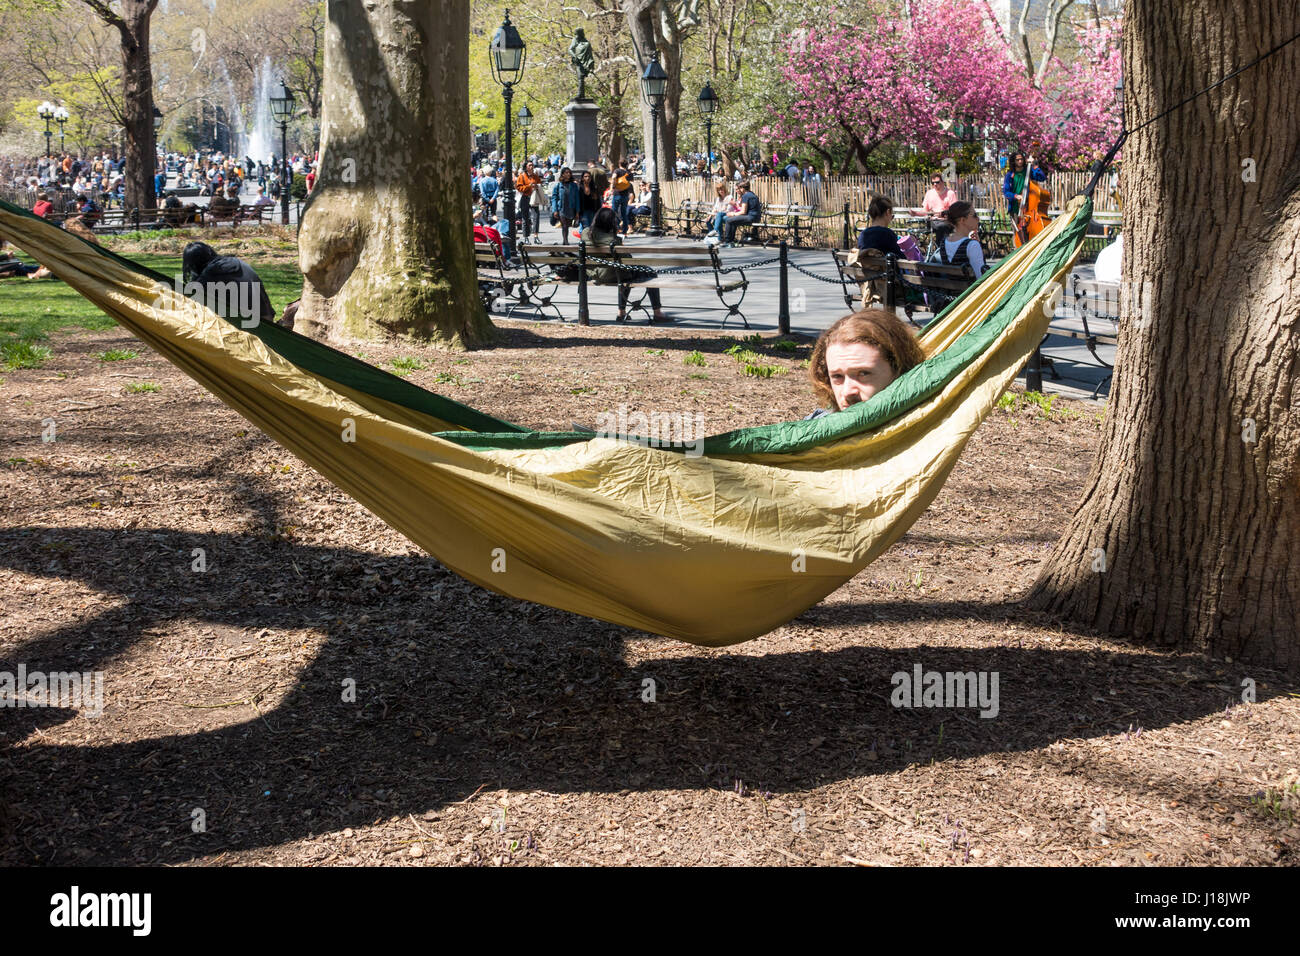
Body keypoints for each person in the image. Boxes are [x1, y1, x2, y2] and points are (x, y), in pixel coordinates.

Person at [806, 309, 925, 418]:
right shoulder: (815, 429)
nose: (847, 392)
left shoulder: (929, 432)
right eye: (837, 376)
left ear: (899, 371)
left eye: (863, 373)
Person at [582, 207, 670, 323]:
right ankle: (657, 313)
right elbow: (627, 260)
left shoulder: (586, 233)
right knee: (649, 272)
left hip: (594, 274)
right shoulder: (613, 240)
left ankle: (621, 313)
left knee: (624, 273)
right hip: (612, 274)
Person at [181, 241, 275, 327]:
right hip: (268, 320)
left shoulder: (209, 275)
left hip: (254, 328)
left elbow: (189, 307)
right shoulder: (236, 262)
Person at [937, 201, 986, 277]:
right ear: (962, 220)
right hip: (971, 288)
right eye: (974, 215)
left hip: (950, 288)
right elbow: (981, 277)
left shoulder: (944, 243)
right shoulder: (972, 245)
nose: (978, 219)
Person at [1002, 152, 1045, 217]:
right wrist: (1016, 196)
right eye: (1017, 160)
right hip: (1015, 208)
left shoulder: (1028, 171)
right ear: (1013, 161)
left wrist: (1034, 165)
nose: (1020, 161)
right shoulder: (1009, 175)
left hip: (1029, 207)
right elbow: (1006, 192)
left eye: (1021, 159)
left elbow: (1042, 178)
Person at [723, 180, 761, 245]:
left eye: (740, 188)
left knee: (728, 220)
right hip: (756, 217)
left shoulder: (745, 196)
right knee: (733, 222)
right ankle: (731, 241)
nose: (740, 190)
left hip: (750, 217)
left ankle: (727, 241)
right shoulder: (752, 194)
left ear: (743, 188)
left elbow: (743, 211)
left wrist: (733, 214)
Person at [550, 166, 580, 245]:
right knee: (564, 225)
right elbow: (554, 198)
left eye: (569, 173)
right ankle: (565, 241)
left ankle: (565, 240)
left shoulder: (574, 185)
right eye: (566, 173)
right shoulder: (558, 186)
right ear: (562, 174)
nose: (568, 174)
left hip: (571, 208)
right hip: (561, 208)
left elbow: (577, 198)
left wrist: (577, 211)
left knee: (568, 225)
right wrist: (555, 210)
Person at [514, 160, 542, 239]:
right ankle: (526, 237)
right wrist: (529, 186)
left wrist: (537, 186)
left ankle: (536, 236)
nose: (532, 166)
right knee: (525, 218)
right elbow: (519, 188)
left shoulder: (535, 176)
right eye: (529, 165)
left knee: (536, 217)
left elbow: (539, 184)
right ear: (526, 167)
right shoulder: (522, 176)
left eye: (532, 165)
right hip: (525, 198)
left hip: (534, 197)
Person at [610, 161, 634, 236]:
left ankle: (615, 230)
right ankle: (624, 232)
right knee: (624, 213)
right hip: (625, 195)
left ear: (619, 164)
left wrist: (613, 186)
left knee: (614, 212)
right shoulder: (629, 172)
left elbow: (614, 177)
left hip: (617, 194)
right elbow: (630, 182)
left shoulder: (617, 171)